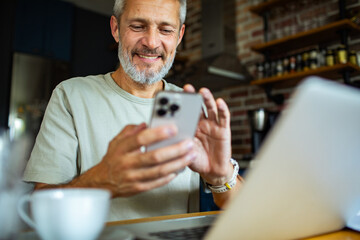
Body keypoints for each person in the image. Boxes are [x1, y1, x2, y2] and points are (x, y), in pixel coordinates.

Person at [23, 0, 243, 221]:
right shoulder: (71, 96)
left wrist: (221, 175)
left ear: (179, 36)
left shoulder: (191, 105)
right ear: (116, 29)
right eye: (138, 26)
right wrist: (101, 180)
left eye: (166, 30)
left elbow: (244, 209)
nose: (151, 42)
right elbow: (39, 211)